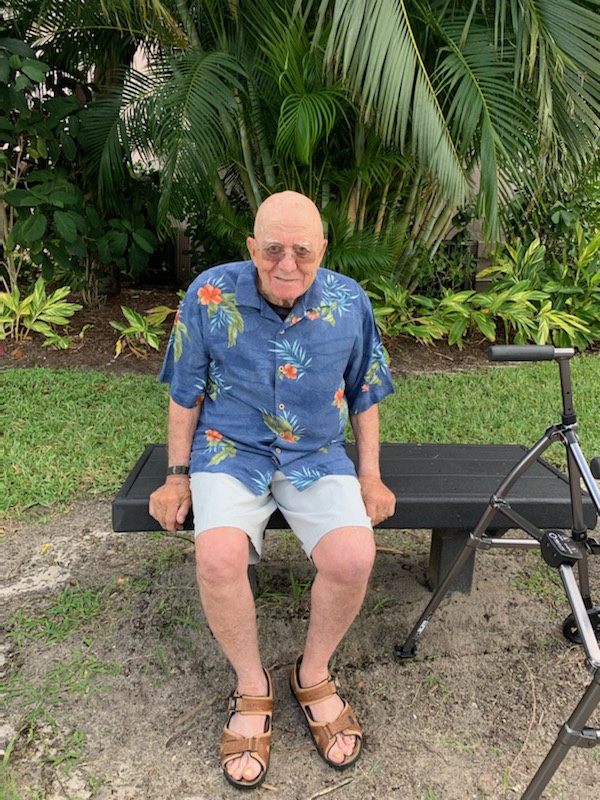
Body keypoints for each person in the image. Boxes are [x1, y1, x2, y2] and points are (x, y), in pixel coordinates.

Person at [149, 191, 396, 790]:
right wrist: (176, 476)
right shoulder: (209, 293)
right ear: (251, 247)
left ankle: (312, 674)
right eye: (273, 250)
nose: (287, 264)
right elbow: (185, 390)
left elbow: (364, 391)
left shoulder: (349, 301)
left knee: (353, 556)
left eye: (302, 251)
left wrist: (369, 475)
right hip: (229, 450)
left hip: (314, 452)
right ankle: (251, 685)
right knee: (217, 557)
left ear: (323, 250)